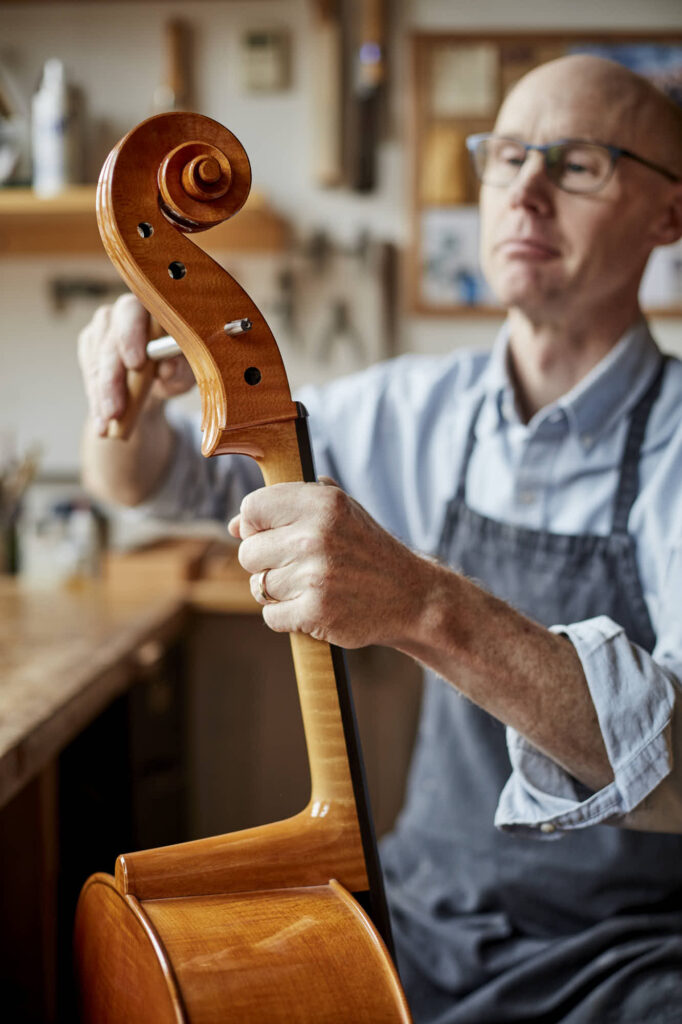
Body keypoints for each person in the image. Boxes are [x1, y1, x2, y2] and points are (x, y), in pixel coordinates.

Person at [78, 55, 682, 1022]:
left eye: (580, 164)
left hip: (630, 957)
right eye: (508, 155)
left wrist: (425, 602)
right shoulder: (418, 405)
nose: (525, 189)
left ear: (668, 215)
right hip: (421, 922)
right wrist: (124, 403)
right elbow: (160, 482)